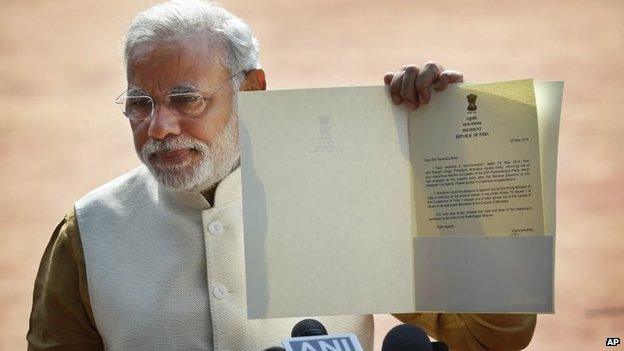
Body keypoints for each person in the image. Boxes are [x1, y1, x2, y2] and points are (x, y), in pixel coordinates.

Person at [27, 1, 537, 350]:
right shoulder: (89, 233)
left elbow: (491, 334)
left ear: (252, 89)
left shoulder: (343, 197)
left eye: (186, 99)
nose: (158, 127)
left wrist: (444, 155)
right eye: (140, 104)